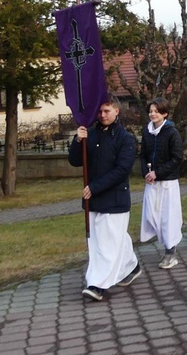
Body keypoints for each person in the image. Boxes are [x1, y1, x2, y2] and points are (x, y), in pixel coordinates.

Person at [69, 96, 140, 301]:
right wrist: (77, 141)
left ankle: (97, 284)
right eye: (100, 111)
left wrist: (95, 187)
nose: (102, 115)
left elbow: (122, 170)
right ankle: (131, 265)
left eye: (107, 111)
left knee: (108, 243)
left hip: (114, 198)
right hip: (93, 198)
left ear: (117, 111)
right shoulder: (90, 134)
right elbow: (75, 161)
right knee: (103, 240)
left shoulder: (125, 138)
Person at [139, 97, 183, 269]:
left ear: (164, 114)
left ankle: (170, 253)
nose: (153, 114)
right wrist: (146, 173)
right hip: (152, 183)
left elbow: (177, 158)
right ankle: (164, 241)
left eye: (156, 111)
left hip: (168, 183)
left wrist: (158, 172)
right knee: (151, 214)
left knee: (168, 218)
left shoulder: (172, 133)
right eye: (150, 111)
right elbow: (143, 155)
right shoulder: (147, 132)